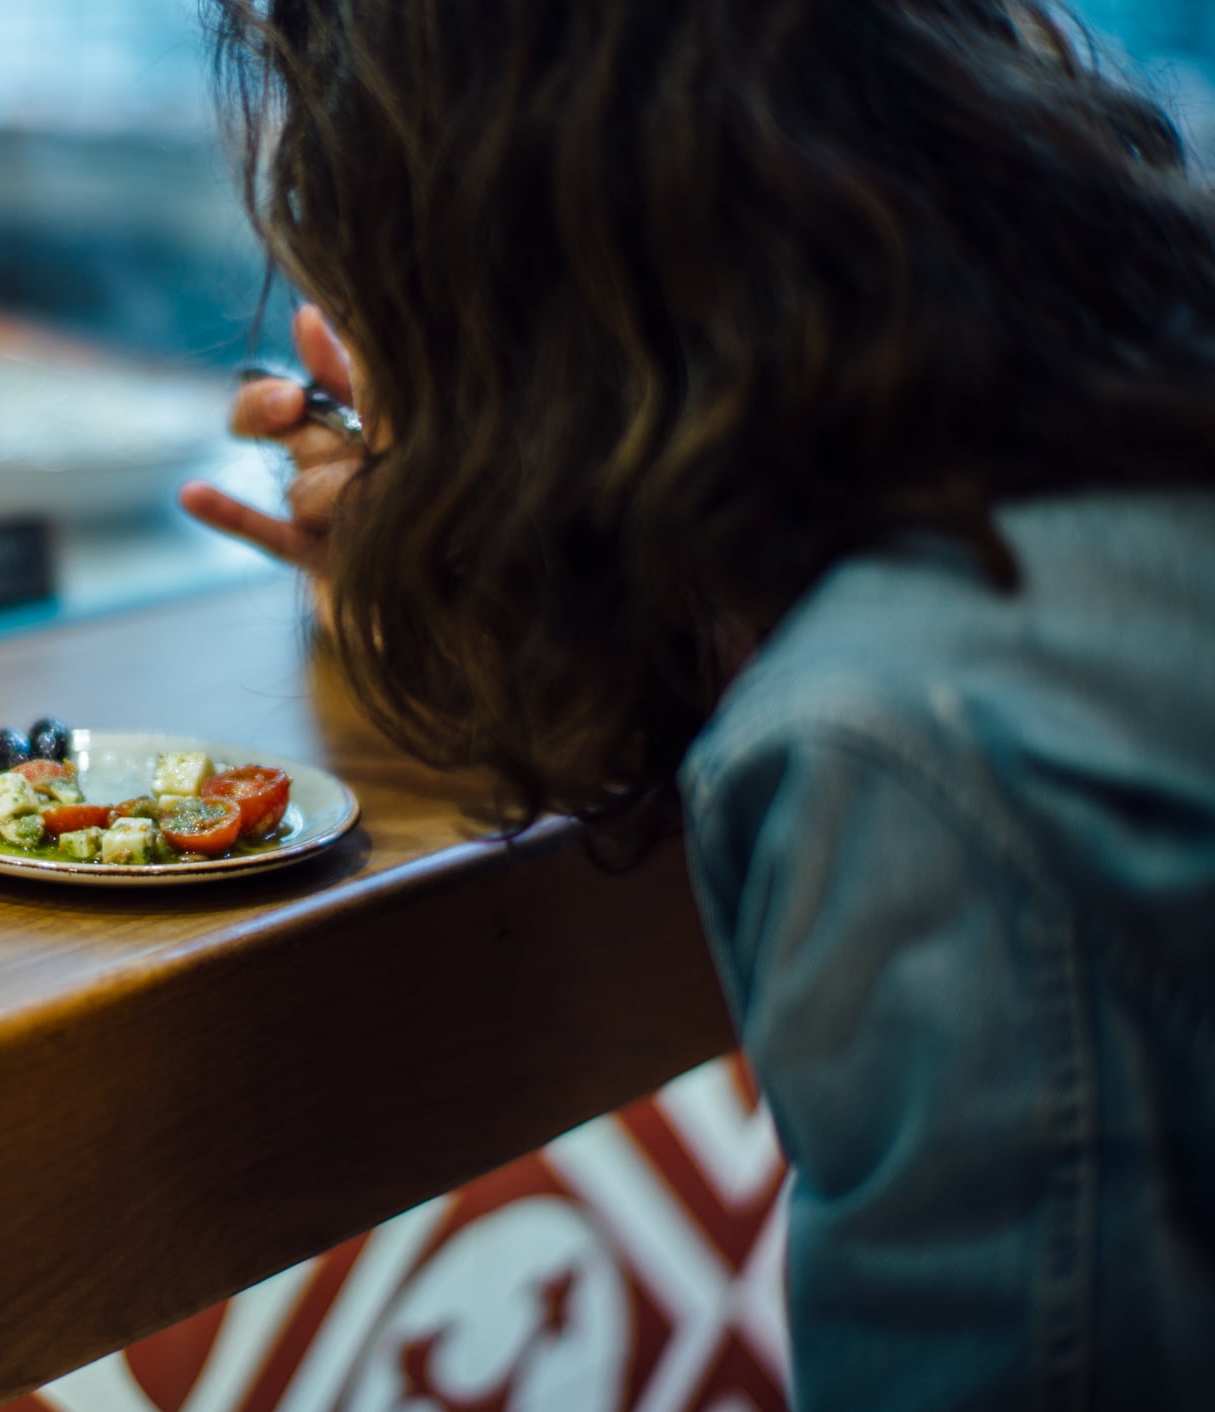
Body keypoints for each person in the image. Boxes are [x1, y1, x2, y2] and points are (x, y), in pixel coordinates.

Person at [180, 2, 1215, 1407]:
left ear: (497, 268)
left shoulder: (898, 757)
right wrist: (501, 552)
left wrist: (497, 488)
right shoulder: (1110, 394)